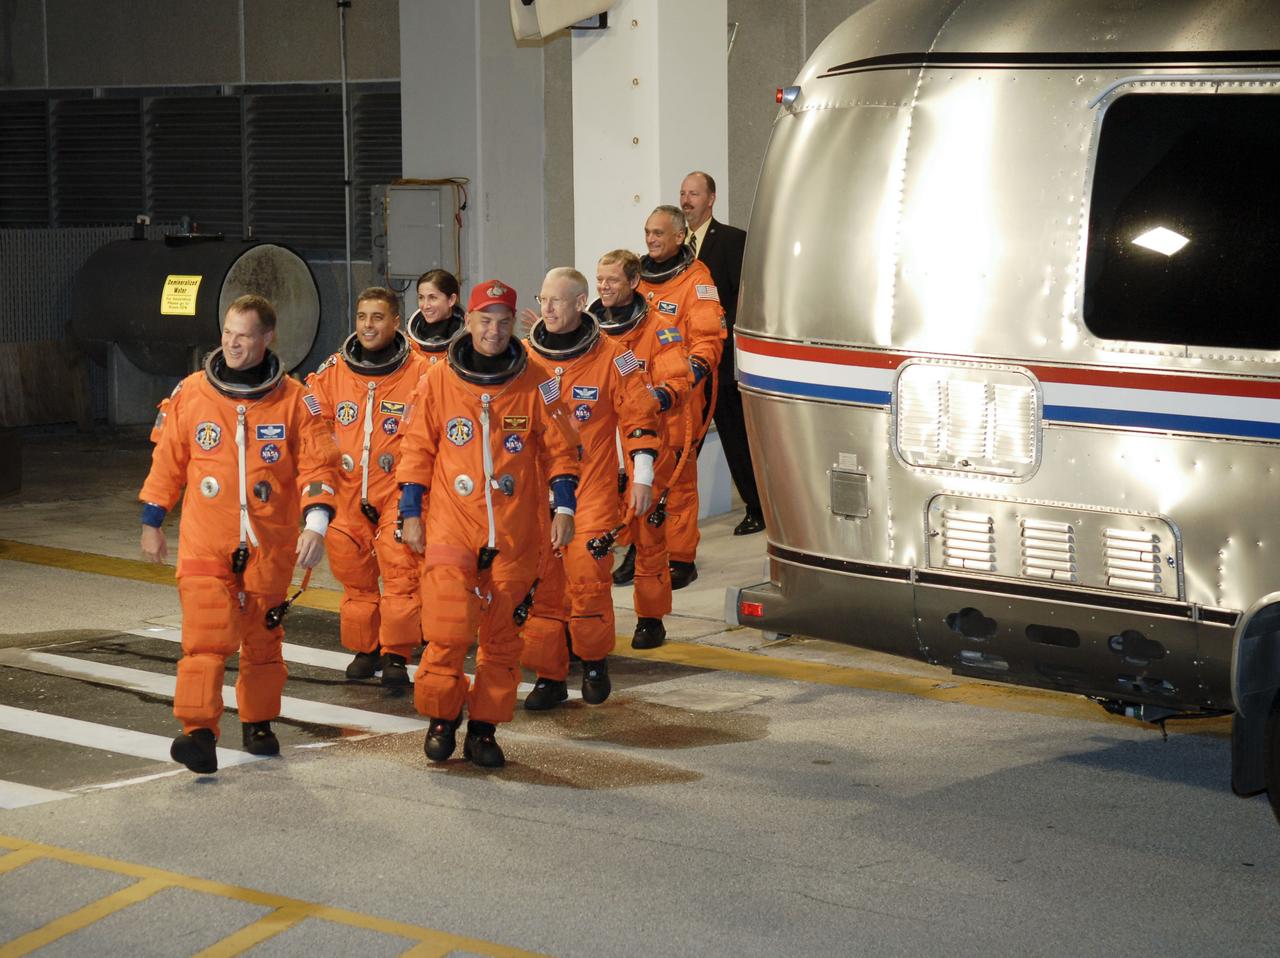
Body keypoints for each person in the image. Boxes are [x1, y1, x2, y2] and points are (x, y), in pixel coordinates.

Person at [139, 294, 339, 774]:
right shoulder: (192, 393)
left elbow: (320, 466)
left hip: (269, 544)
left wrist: (316, 525)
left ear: (267, 337)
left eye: (243, 335)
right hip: (206, 540)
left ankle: (258, 722)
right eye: (227, 333)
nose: (231, 343)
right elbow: (168, 462)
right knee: (205, 637)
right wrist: (152, 521)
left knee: (262, 640)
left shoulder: (296, 401)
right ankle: (198, 733)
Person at [397, 279, 581, 767]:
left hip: (515, 531)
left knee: (501, 639)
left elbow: (562, 449)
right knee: (447, 630)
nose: (494, 331)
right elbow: (416, 448)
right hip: (451, 527)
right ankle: (441, 719)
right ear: (469, 320)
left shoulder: (537, 379)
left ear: (513, 323)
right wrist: (410, 513)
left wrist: (564, 508)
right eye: (485, 321)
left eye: (503, 322)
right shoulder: (438, 379)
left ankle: (483, 729)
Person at [517, 267, 660, 708]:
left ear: (581, 303)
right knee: (541, 587)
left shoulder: (614, 358)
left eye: (556, 301)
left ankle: (594, 662)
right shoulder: (524, 358)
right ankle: (549, 676)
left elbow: (639, 416)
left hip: (591, 492)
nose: (547, 309)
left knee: (588, 582)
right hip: (537, 495)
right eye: (542, 300)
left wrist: (642, 476)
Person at [305, 287, 429, 687]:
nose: (368, 325)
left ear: (396, 322)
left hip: (397, 491)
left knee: (401, 574)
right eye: (362, 317)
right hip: (346, 491)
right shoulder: (333, 371)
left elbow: (430, 433)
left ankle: (396, 654)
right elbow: (313, 423)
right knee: (354, 577)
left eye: (377, 317)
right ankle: (366, 648)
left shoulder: (422, 372)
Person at [590, 249, 691, 649]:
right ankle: (588, 626)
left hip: (646, 450)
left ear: (633, 282)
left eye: (612, 280)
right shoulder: (588, 333)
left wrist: (655, 398)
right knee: (590, 545)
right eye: (600, 280)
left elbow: (678, 383)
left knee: (650, 542)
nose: (604, 287)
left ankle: (650, 619)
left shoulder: (660, 331)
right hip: (598, 457)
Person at [636, 204, 726, 590]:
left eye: (658, 233)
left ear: (679, 236)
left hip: (678, 397)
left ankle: (680, 557)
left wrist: (686, 378)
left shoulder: (697, 280)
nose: (651, 239)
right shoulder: (636, 277)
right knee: (637, 474)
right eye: (647, 232)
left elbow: (708, 339)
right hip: (637, 395)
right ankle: (640, 550)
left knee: (677, 480)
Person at [680, 171, 760, 536]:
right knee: (684, 442)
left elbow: (742, 297)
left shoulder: (730, 240)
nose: (687, 200)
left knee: (735, 436)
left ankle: (756, 508)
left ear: (711, 199)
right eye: (683, 194)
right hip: (684, 364)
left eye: (694, 194)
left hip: (722, 359)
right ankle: (668, 513)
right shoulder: (677, 248)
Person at [406, 269, 465, 365]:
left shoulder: (467, 343)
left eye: (433, 298)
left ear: (451, 300)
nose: (425, 306)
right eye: (421, 297)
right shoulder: (407, 343)